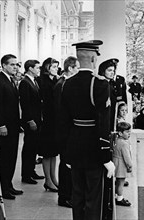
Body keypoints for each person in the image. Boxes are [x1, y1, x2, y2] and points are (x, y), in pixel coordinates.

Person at [58, 40, 115, 220]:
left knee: (78, 195)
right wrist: (106, 156)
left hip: (74, 146)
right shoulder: (99, 84)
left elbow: (63, 122)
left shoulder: (67, 83)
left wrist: (66, 153)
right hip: (94, 149)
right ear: (92, 58)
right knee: (93, 197)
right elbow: (103, 123)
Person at [0, 54, 23, 199]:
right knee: (5, 158)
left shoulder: (10, 80)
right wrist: (1, 125)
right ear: (4, 65)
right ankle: (3, 188)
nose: (15, 67)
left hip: (13, 125)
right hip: (5, 126)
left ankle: (9, 185)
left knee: (11, 156)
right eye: (12, 64)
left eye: (16, 64)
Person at [54, 56, 80, 208]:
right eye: (76, 67)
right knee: (65, 164)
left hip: (68, 130)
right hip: (64, 132)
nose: (78, 70)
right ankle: (64, 196)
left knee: (69, 163)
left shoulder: (67, 84)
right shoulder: (61, 85)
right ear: (70, 68)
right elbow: (60, 111)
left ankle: (69, 193)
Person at [19, 60, 44, 185]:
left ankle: (31, 170)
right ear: (30, 68)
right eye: (37, 68)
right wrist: (30, 120)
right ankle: (26, 174)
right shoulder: (25, 82)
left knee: (34, 146)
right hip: (31, 120)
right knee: (29, 147)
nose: (39, 70)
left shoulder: (34, 81)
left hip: (37, 118)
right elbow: (25, 103)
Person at [36, 57, 59, 192]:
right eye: (53, 67)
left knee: (54, 152)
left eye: (57, 66)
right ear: (47, 68)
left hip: (55, 119)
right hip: (47, 120)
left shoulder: (56, 80)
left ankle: (53, 178)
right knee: (46, 151)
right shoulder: (42, 81)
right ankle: (48, 180)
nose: (56, 69)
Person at [98, 58, 127, 131]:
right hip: (102, 117)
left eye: (113, 71)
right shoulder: (99, 84)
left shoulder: (112, 84)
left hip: (112, 114)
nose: (112, 73)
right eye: (109, 70)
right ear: (103, 71)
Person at [113, 122, 132, 206]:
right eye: (127, 132)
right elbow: (127, 157)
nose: (129, 134)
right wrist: (130, 166)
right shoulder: (124, 143)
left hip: (116, 163)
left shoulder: (117, 140)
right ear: (120, 133)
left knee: (118, 182)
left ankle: (117, 195)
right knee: (121, 183)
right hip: (121, 165)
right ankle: (120, 198)